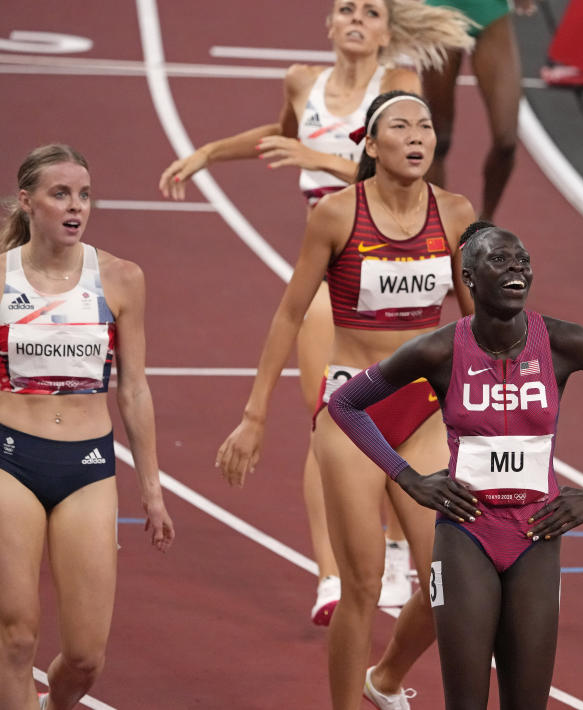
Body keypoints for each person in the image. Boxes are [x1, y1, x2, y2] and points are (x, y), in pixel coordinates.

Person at [158, 0, 474, 622]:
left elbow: (397, 165)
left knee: (408, 402)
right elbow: (281, 137)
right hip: (332, 260)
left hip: (396, 253)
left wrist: (326, 162)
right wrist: (210, 152)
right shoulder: (303, 81)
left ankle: (394, 540)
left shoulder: (398, 86)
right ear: (328, 25)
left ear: (388, 32)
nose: (357, 19)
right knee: (327, 413)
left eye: (372, 12)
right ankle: (331, 575)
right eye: (346, 9)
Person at [328, 222, 583, 709]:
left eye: (524, 260)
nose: (517, 267)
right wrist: (407, 478)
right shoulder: (440, 349)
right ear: (468, 277)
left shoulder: (565, 342)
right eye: (500, 260)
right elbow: (345, 403)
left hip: (537, 535)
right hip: (465, 536)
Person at [217, 91, 476, 709]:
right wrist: (254, 415)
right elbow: (287, 315)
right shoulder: (336, 216)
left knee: (452, 580)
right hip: (355, 409)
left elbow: (477, 322)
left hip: (427, 411)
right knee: (360, 585)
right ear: (370, 143)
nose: (417, 136)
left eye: (426, 127)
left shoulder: (458, 213)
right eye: (400, 126)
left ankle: (384, 681)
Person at [0, 144, 175, 710]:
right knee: (16, 638)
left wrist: (152, 489)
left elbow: (134, 387)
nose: (76, 207)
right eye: (60, 194)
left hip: (87, 467)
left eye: (84, 195)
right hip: (9, 458)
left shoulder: (121, 279)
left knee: (84, 657)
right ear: (28, 203)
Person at [422, 0, 538, 220]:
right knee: (438, 139)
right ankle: (435, 228)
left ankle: (484, 222)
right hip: (439, 10)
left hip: (489, 10)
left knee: (506, 140)